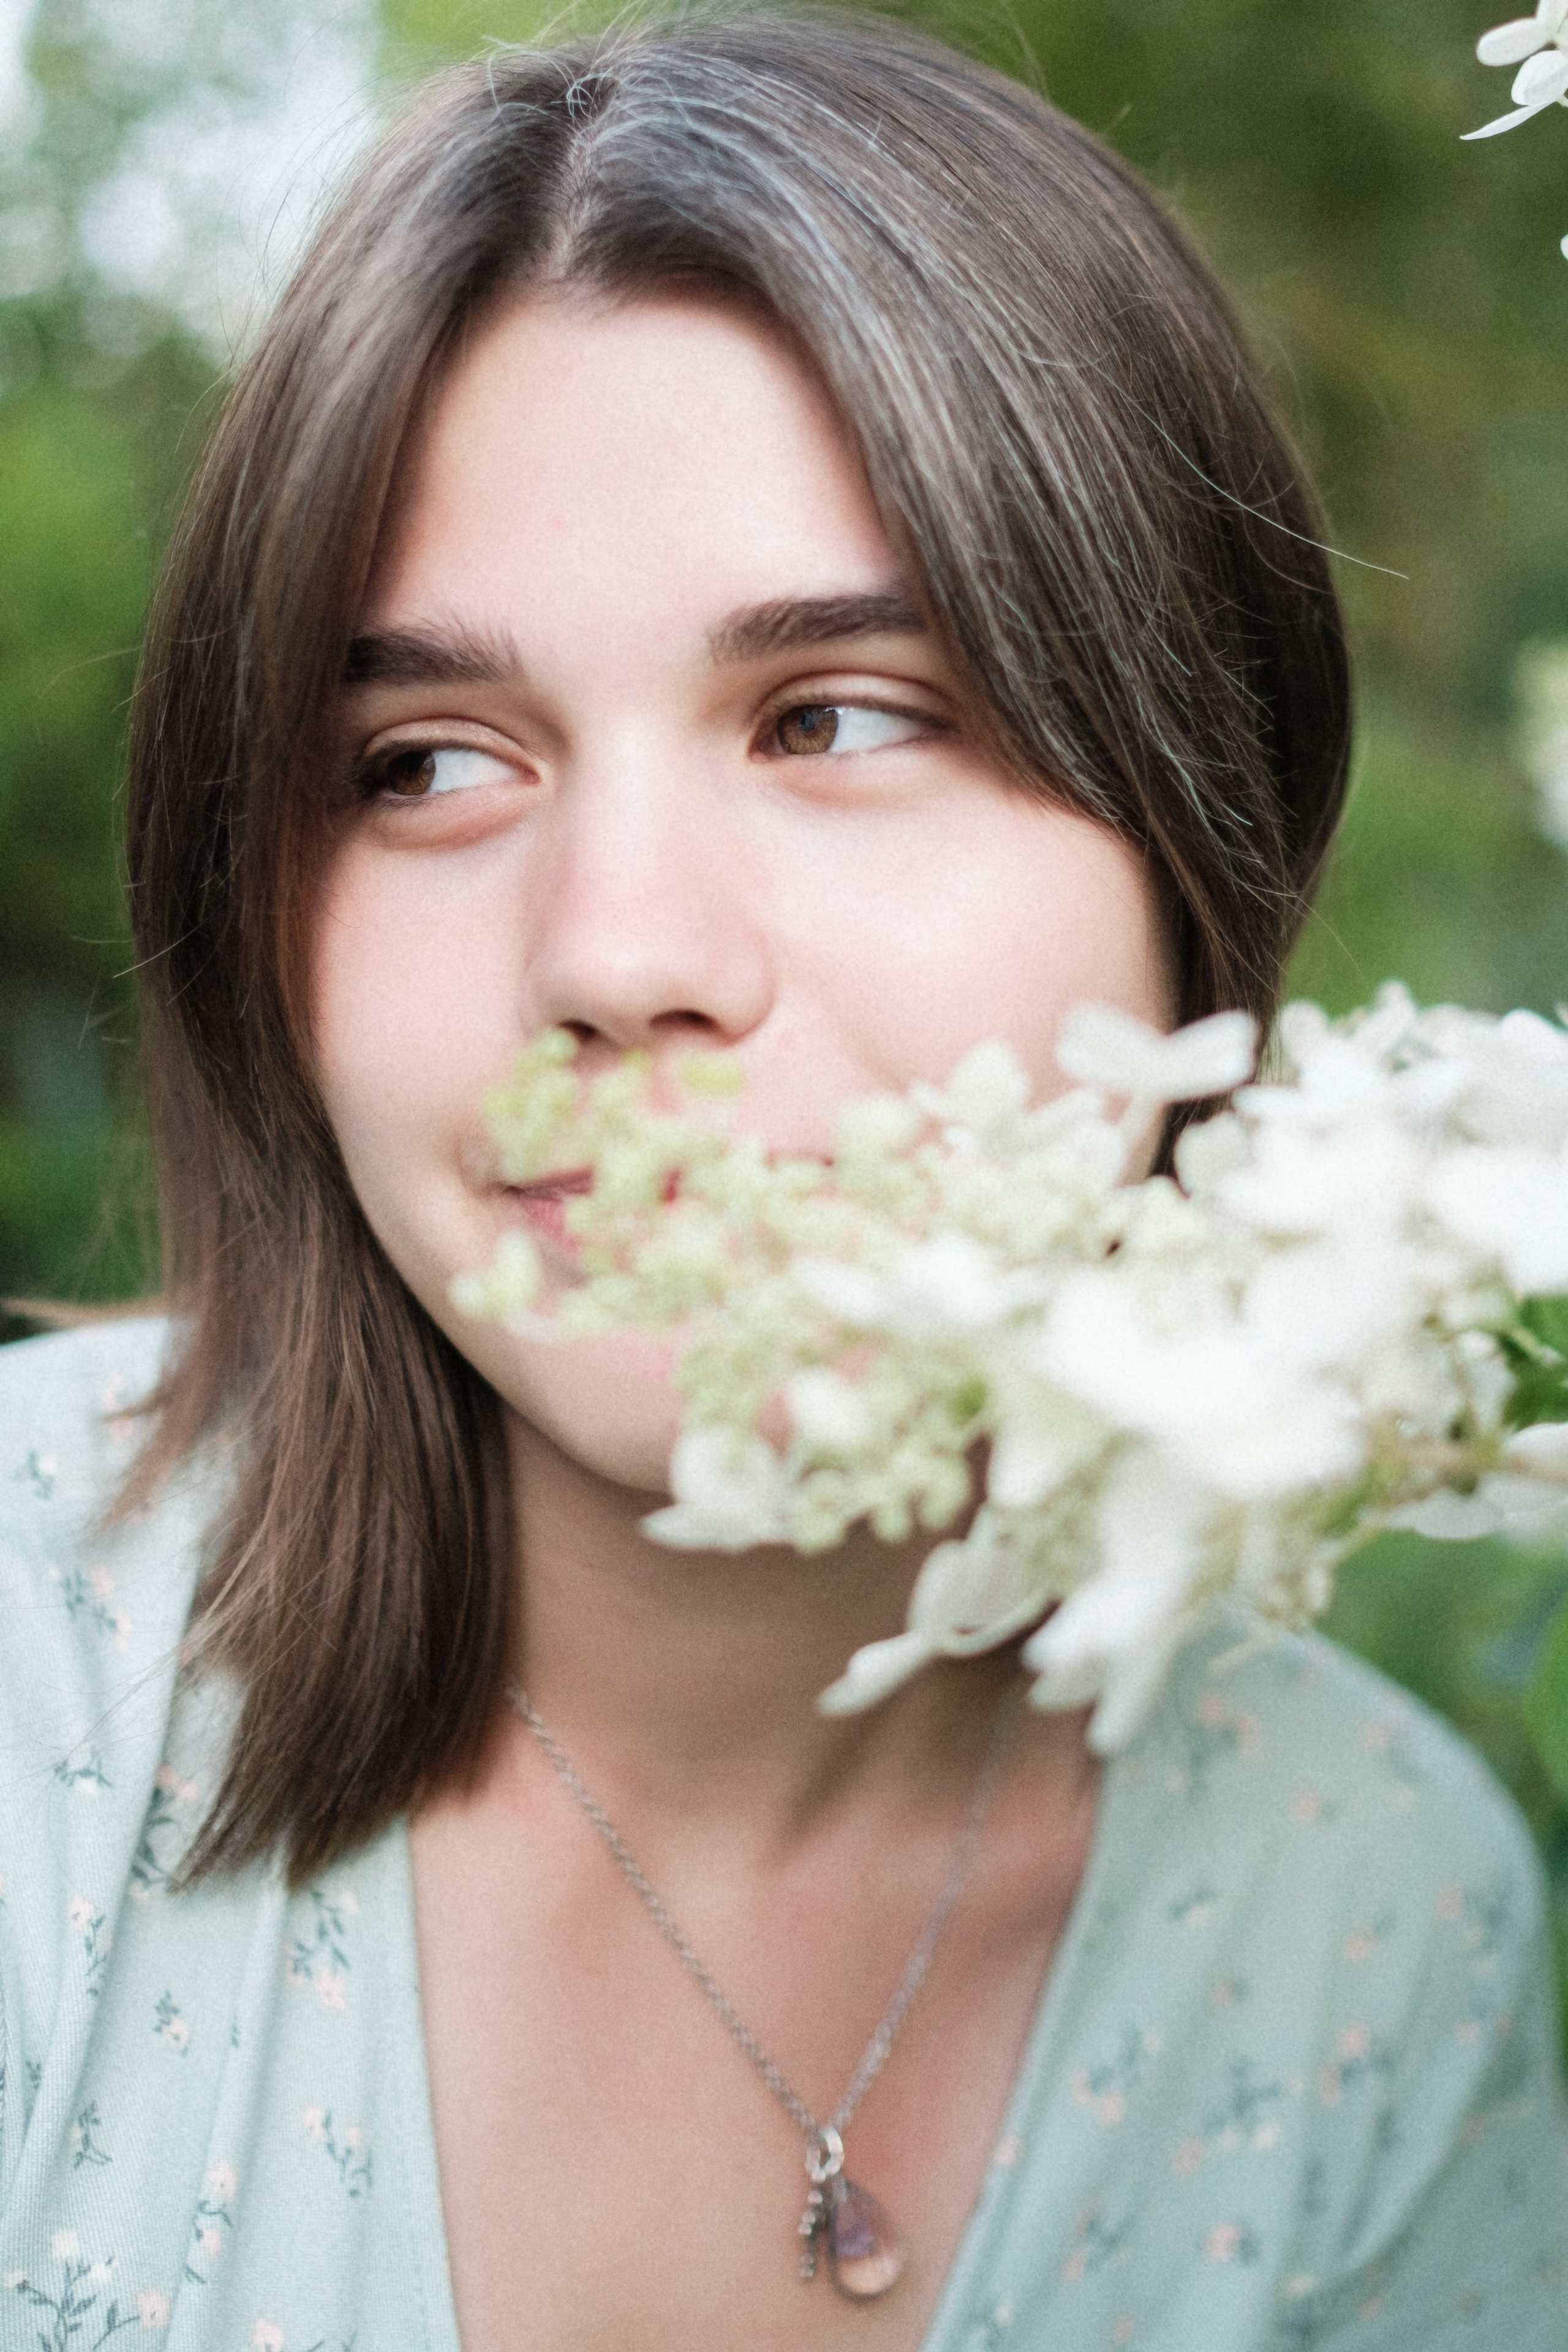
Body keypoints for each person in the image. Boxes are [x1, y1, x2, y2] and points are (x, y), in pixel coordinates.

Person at [1, 12, 1564, 2347]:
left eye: (837, 715)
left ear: (1201, 831)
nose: (620, 953)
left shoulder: (1372, 1922)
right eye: (427, 762)